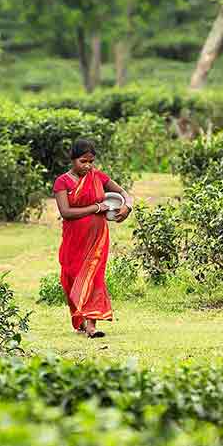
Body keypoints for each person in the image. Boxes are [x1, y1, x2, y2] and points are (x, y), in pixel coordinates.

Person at [52, 139, 132, 338]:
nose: (87, 166)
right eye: (82, 161)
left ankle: (91, 326)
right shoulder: (63, 182)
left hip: (97, 238)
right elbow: (66, 211)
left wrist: (127, 206)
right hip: (74, 239)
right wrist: (96, 208)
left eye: (91, 161)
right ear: (73, 160)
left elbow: (122, 192)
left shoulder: (98, 176)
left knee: (94, 277)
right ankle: (80, 319)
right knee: (72, 277)